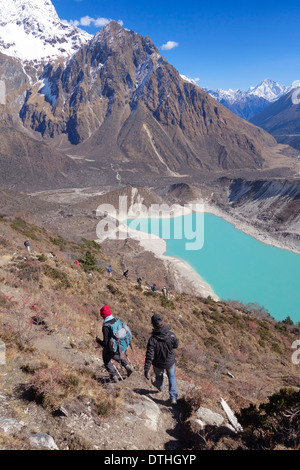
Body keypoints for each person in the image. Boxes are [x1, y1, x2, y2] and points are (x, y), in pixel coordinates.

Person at [144, 314, 178, 406]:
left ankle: (160, 386)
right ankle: (173, 398)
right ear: (162, 322)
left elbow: (149, 355)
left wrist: (146, 369)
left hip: (158, 363)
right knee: (172, 377)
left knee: (159, 377)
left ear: (153, 325)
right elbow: (176, 345)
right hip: (169, 361)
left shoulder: (152, 340)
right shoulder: (171, 335)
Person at [96, 305, 134, 383]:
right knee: (113, 354)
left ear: (103, 315)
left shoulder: (106, 326)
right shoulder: (117, 320)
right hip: (123, 346)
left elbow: (106, 343)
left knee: (106, 358)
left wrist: (99, 341)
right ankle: (126, 365)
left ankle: (113, 377)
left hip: (115, 348)